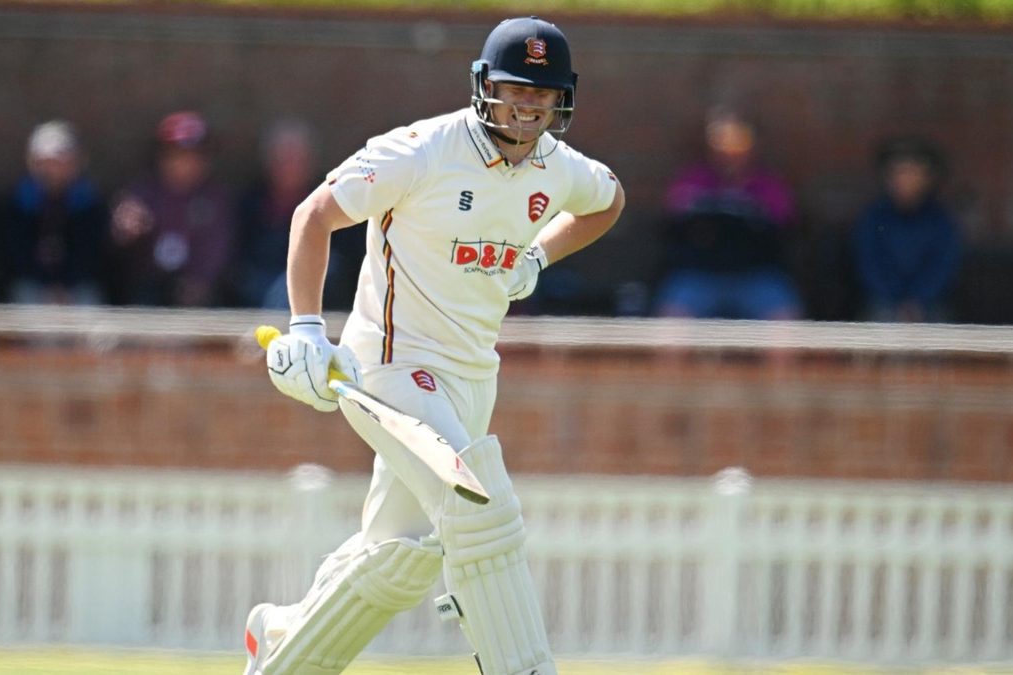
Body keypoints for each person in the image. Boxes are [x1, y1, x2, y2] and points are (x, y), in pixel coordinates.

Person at [248, 16, 624, 675]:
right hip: (393, 364)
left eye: (542, 95)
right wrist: (307, 327)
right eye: (515, 90)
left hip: (474, 376)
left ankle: (278, 643)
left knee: (400, 555)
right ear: (484, 87)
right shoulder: (422, 151)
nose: (528, 106)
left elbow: (609, 199)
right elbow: (316, 214)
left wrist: (536, 258)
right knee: (478, 502)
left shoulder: (555, 168)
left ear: (561, 99)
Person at [653, 105, 802, 320]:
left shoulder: (770, 185)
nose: (729, 152)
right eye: (721, 142)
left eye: (738, 142)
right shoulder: (691, 180)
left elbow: (787, 227)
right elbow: (671, 222)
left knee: (787, 332)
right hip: (698, 276)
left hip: (758, 277)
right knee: (668, 331)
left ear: (753, 145)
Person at [109, 111, 234, 307]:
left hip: (198, 289)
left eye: (195, 156)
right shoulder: (141, 194)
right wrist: (126, 233)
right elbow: (117, 250)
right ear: (162, 157)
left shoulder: (215, 198)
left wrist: (200, 280)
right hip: (148, 286)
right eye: (177, 155)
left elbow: (218, 248)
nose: (186, 163)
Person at [233, 120, 362, 309]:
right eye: (283, 159)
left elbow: (342, 259)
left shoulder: (329, 201)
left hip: (312, 292)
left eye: (297, 159)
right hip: (259, 284)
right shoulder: (252, 203)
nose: (290, 167)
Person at [0, 120, 109, 305]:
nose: (52, 169)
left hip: (77, 286)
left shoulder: (89, 202)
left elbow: (91, 255)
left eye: (60, 162)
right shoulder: (18, 203)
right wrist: (47, 286)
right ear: (32, 163)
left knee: (92, 318)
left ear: (75, 163)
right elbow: (14, 254)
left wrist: (65, 286)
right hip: (32, 285)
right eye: (45, 162)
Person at [852, 136, 961, 322]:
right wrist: (897, 299)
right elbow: (870, 264)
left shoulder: (941, 220)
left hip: (930, 304)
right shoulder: (873, 217)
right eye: (900, 172)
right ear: (887, 177)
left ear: (929, 178)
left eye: (914, 172)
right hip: (883, 302)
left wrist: (917, 300)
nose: (906, 179)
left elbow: (943, 266)